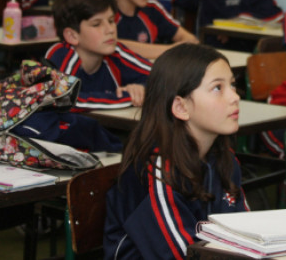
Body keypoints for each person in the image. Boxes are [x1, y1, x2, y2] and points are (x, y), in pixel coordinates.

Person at [104, 44, 247, 258]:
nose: (234, 97)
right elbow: (183, 255)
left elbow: (248, 235)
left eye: (232, 85)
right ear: (180, 107)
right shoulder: (157, 170)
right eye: (218, 88)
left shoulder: (224, 159)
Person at [45, 0, 152, 110]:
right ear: (72, 36)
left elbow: (164, 77)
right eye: (97, 24)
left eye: (111, 21)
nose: (110, 30)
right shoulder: (61, 54)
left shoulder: (115, 52)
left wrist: (141, 89)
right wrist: (127, 97)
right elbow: (63, 99)